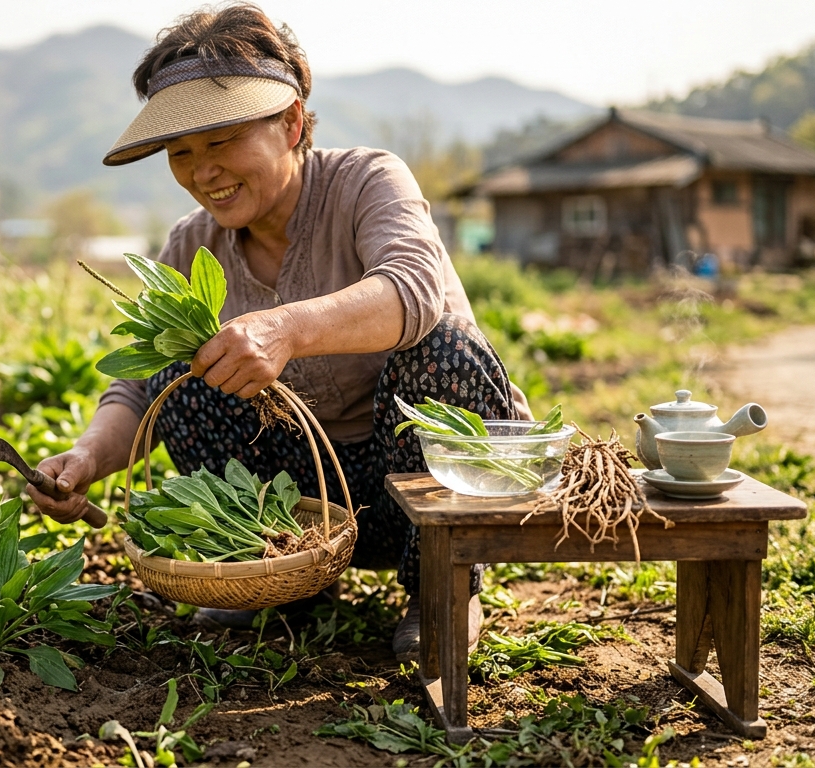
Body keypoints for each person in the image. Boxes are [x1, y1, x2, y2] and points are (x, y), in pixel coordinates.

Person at [26, 3, 532, 659]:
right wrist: (88, 459)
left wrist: (287, 329)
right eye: (181, 153)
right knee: (180, 373)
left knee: (443, 349)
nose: (202, 171)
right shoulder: (192, 243)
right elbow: (137, 386)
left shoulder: (367, 181)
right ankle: (278, 571)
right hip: (302, 499)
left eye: (220, 142)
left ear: (292, 123)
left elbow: (412, 291)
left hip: (416, 488)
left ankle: (445, 586)